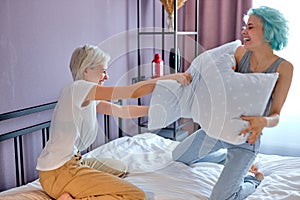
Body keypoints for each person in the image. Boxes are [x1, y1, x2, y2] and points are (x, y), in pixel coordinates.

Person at [36, 44, 192, 200]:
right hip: (59, 172)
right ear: (86, 70)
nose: (106, 76)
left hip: (72, 162)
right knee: (137, 196)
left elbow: (122, 111)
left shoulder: (86, 95)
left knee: (120, 168)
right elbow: (131, 92)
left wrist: (154, 110)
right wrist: (171, 77)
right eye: (103, 71)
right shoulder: (78, 88)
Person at [172, 6, 293, 200]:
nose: (244, 31)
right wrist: (190, 75)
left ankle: (254, 180)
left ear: (269, 31)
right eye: (245, 26)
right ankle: (224, 158)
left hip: (245, 141)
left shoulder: (285, 68)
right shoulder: (238, 53)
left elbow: (276, 115)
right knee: (178, 157)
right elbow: (210, 68)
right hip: (218, 130)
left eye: (250, 27)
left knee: (221, 197)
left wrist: (263, 122)